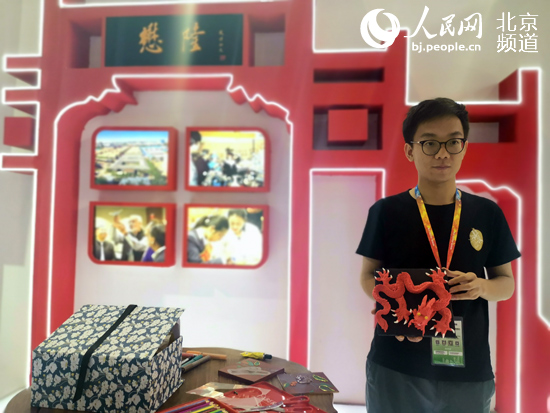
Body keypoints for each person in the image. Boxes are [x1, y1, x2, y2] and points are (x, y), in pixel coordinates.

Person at [356, 98, 520, 413]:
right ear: (410, 151)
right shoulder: (386, 212)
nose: (443, 153)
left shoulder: (487, 213)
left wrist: (481, 286)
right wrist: (392, 307)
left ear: (464, 147)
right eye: (430, 143)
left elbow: (506, 284)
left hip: (468, 369)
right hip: (397, 363)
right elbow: (367, 275)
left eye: (453, 142)